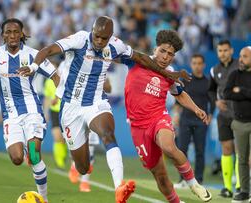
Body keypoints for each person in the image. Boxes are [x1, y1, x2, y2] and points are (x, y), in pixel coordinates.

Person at [18, 16, 190, 203]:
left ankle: (119, 187)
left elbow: (142, 59)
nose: (100, 41)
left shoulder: (116, 45)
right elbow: (48, 49)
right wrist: (34, 66)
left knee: (108, 133)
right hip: (71, 107)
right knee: (83, 167)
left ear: (110, 37)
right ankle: (81, 167)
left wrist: (169, 74)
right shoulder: (80, 39)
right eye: (97, 37)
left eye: (104, 38)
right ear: (92, 31)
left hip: (96, 102)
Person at [0, 18, 60, 203]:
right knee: (17, 158)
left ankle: (43, 198)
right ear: (3, 35)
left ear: (21, 34)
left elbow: (56, 76)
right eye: (8, 32)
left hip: (32, 110)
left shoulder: (34, 55)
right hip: (10, 114)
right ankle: (27, 152)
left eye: (15, 32)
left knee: (34, 155)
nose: (12, 35)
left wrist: (58, 96)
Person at [124, 30, 212, 203]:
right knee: (160, 176)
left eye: (170, 54)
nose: (165, 57)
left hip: (158, 117)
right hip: (138, 127)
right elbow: (115, 54)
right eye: (163, 51)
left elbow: (179, 94)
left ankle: (194, 184)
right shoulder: (136, 61)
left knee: (168, 146)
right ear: (155, 48)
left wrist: (196, 108)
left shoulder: (170, 73)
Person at [223, 46, 251, 203]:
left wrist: (240, 91)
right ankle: (243, 191)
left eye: (245, 57)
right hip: (239, 122)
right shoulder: (234, 74)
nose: (241, 59)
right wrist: (248, 93)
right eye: (240, 56)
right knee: (241, 158)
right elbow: (226, 94)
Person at [174, 54, 215, 187]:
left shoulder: (208, 82)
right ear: (191, 65)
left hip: (200, 122)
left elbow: (212, 101)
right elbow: (178, 99)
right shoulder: (185, 81)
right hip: (185, 120)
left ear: (203, 65)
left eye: (199, 63)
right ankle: (183, 180)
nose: (197, 66)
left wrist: (210, 115)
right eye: (194, 63)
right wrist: (175, 115)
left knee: (200, 151)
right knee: (182, 151)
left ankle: (199, 180)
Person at [68, 78, 112, 193]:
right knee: (77, 144)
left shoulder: (101, 67)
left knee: (91, 148)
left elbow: (109, 88)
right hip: (75, 110)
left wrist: (100, 84)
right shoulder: (72, 66)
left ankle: (85, 181)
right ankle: (74, 164)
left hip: (93, 110)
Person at [208, 39, 240, 197]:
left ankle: (240, 186)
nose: (223, 53)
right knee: (226, 149)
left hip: (241, 114)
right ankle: (227, 188)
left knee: (240, 149)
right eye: (220, 51)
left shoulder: (241, 66)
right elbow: (211, 90)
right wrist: (216, 101)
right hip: (224, 116)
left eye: (225, 50)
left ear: (232, 51)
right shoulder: (214, 70)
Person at [43, 70, 67, 170]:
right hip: (54, 111)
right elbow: (47, 97)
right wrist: (45, 112)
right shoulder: (49, 82)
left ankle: (63, 156)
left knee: (65, 138)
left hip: (66, 110)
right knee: (57, 136)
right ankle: (59, 162)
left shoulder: (66, 78)